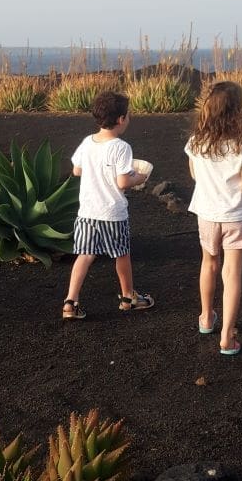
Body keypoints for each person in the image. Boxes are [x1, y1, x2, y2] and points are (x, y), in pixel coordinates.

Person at [185, 81, 242, 355]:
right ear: (238, 111)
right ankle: (227, 336)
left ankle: (206, 318)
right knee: (232, 273)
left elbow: (194, 175)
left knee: (209, 264)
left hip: (207, 214)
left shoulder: (196, 143)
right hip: (237, 216)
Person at [62, 90, 155, 320]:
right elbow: (123, 181)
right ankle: (128, 297)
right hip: (112, 212)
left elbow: (76, 170)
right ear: (121, 119)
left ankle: (70, 303)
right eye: (128, 116)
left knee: (84, 255)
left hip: (87, 212)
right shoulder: (121, 147)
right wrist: (140, 178)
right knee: (121, 254)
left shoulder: (87, 142)